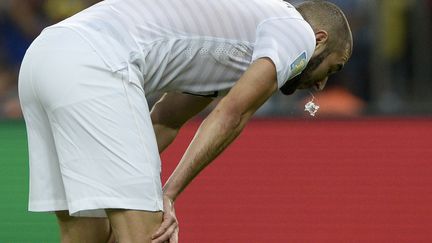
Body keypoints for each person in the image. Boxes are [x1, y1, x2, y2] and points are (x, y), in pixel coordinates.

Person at [18, 0, 352, 242]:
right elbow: (233, 114)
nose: (322, 84)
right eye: (332, 68)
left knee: (87, 234)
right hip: (97, 61)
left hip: (43, 56)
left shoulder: (241, 36)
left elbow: (166, 120)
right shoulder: (298, 33)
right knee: (152, 236)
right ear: (319, 39)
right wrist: (166, 195)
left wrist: (127, 184)